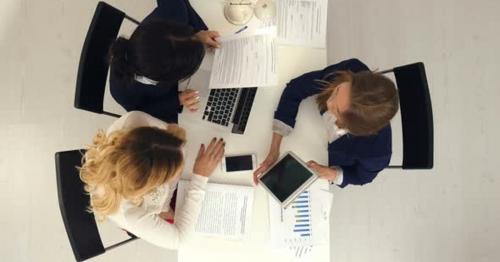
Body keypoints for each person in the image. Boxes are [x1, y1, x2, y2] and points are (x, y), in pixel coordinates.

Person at [79, 111, 225, 249]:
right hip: (142, 211)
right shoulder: (130, 214)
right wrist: (199, 178)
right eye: (174, 173)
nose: (179, 172)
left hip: (156, 199)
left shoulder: (134, 120)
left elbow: (179, 146)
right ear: (151, 186)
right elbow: (180, 239)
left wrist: (166, 205)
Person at [253, 58, 399, 188]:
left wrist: (331, 173)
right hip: (311, 126)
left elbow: (361, 177)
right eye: (337, 91)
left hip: (326, 156)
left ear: (355, 129)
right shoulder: (350, 70)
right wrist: (274, 149)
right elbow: (296, 88)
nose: (329, 102)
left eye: (337, 111)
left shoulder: (376, 155)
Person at [108, 0, 220, 123]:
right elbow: (142, 111)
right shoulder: (123, 92)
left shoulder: (174, 14)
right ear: (169, 78)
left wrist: (199, 34)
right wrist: (177, 100)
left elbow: (177, 5)